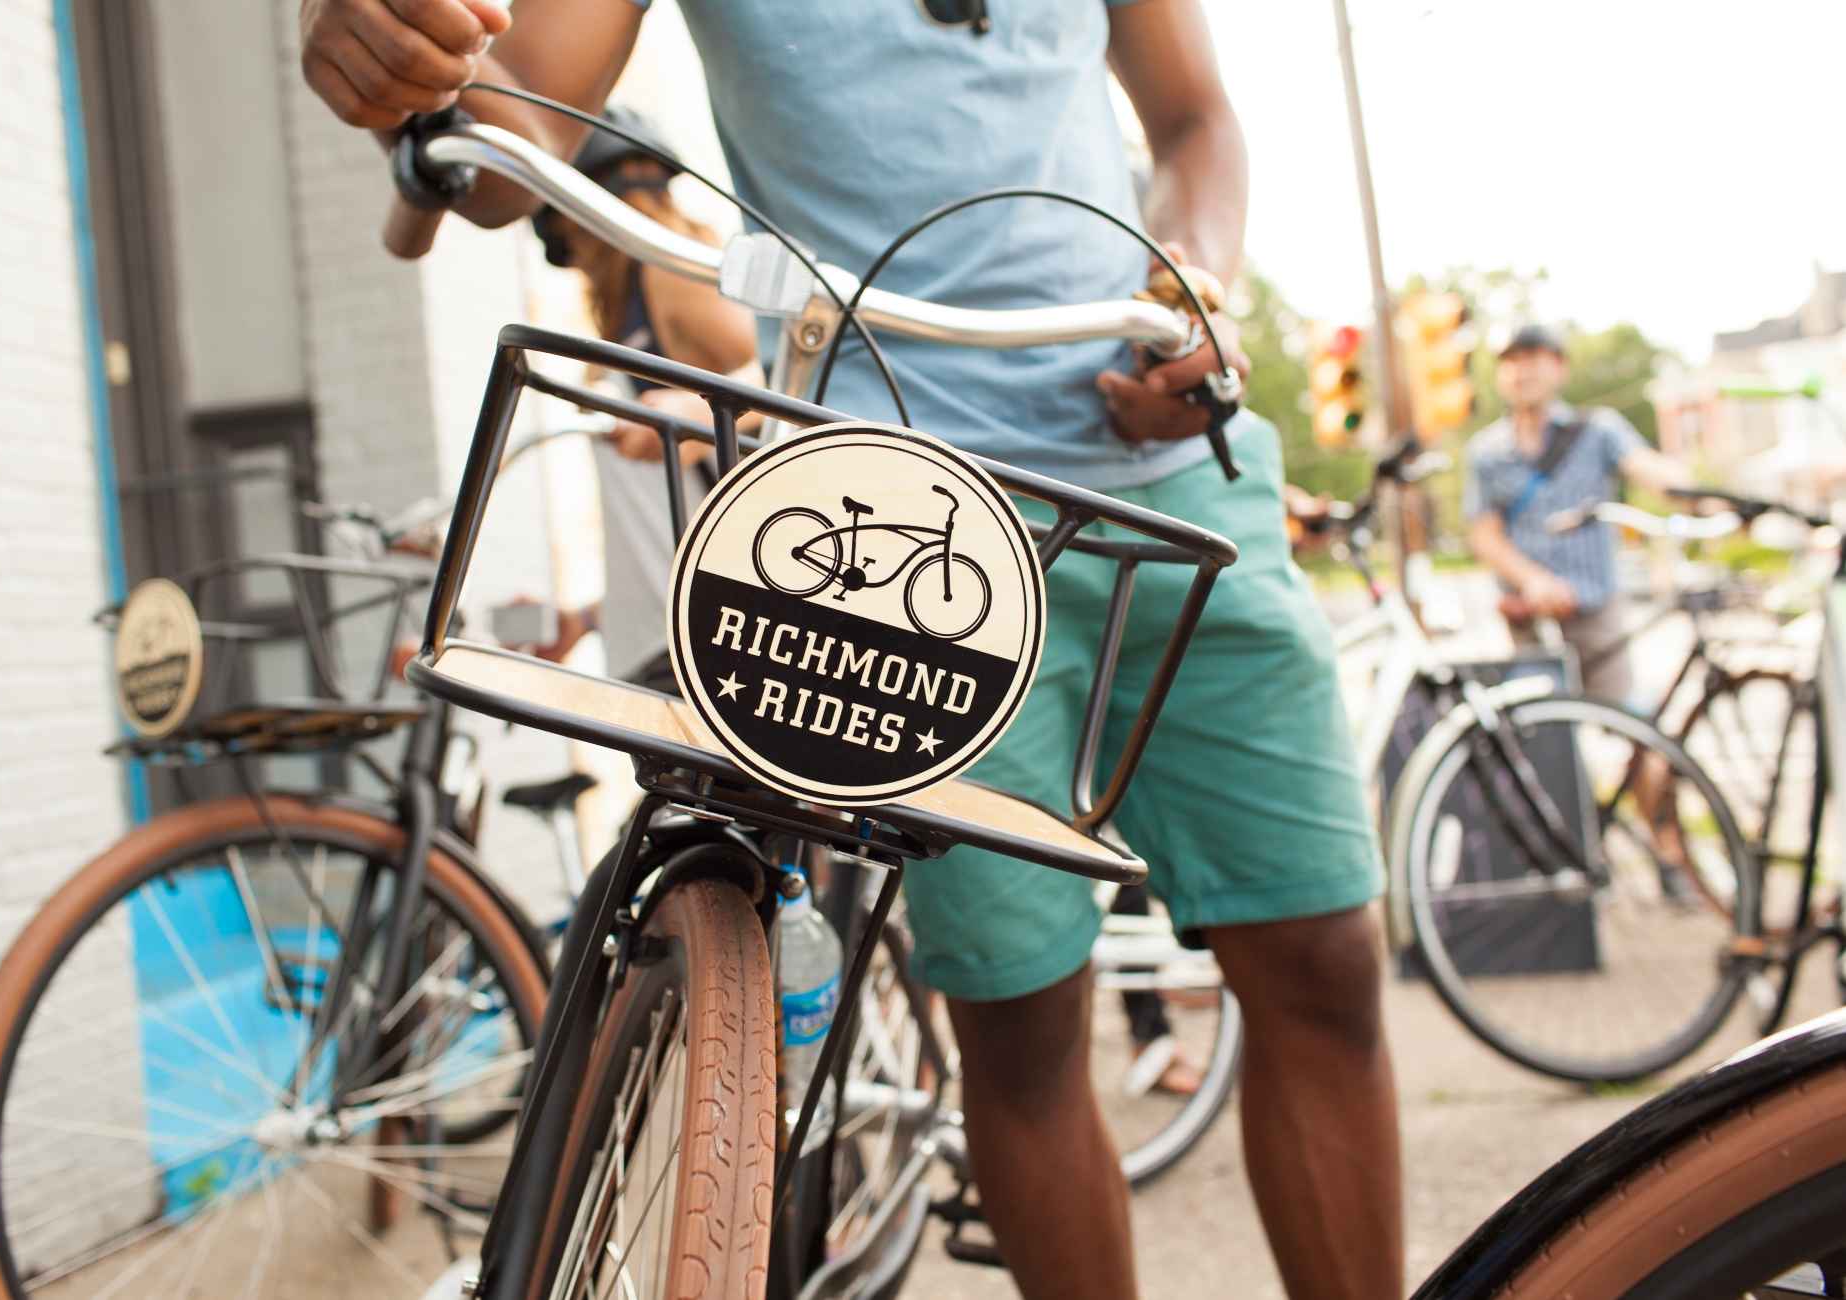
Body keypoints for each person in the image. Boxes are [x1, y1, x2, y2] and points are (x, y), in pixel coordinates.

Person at [298, 3, 1402, 1297]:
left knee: (1324, 955)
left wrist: (1194, 279)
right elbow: (519, 123)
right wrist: (412, 71)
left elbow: (1195, 119)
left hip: (1166, 462)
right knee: (1020, 1017)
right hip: (896, 520)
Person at [534, 104, 762, 690]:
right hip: (676, 631)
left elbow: (790, 377)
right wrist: (587, 618)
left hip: (715, 636)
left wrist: (702, 411)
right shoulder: (633, 308)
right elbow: (667, 522)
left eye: (571, 238)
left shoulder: (669, 273)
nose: (580, 260)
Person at [1465, 323, 1692, 702]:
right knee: (1541, 739)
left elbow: (1649, 469)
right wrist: (1533, 581)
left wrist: (1705, 494)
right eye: (1511, 362)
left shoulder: (1597, 431)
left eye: (1533, 359)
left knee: (1630, 728)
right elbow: (1485, 535)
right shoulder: (1485, 452)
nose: (1522, 372)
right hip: (1527, 616)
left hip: (1593, 610)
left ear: (1559, 367)